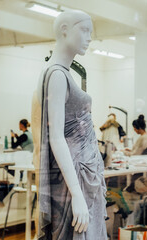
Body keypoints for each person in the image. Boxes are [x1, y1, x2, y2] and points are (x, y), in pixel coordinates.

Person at [37, 10, 107, 239]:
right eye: (84, 30)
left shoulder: (59, 73)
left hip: (84, 176)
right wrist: (76, 193)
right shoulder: (56, 75)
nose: (89, 37)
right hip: (76, 179)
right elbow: (54, 136)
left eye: (90, 32)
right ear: (64, 30)